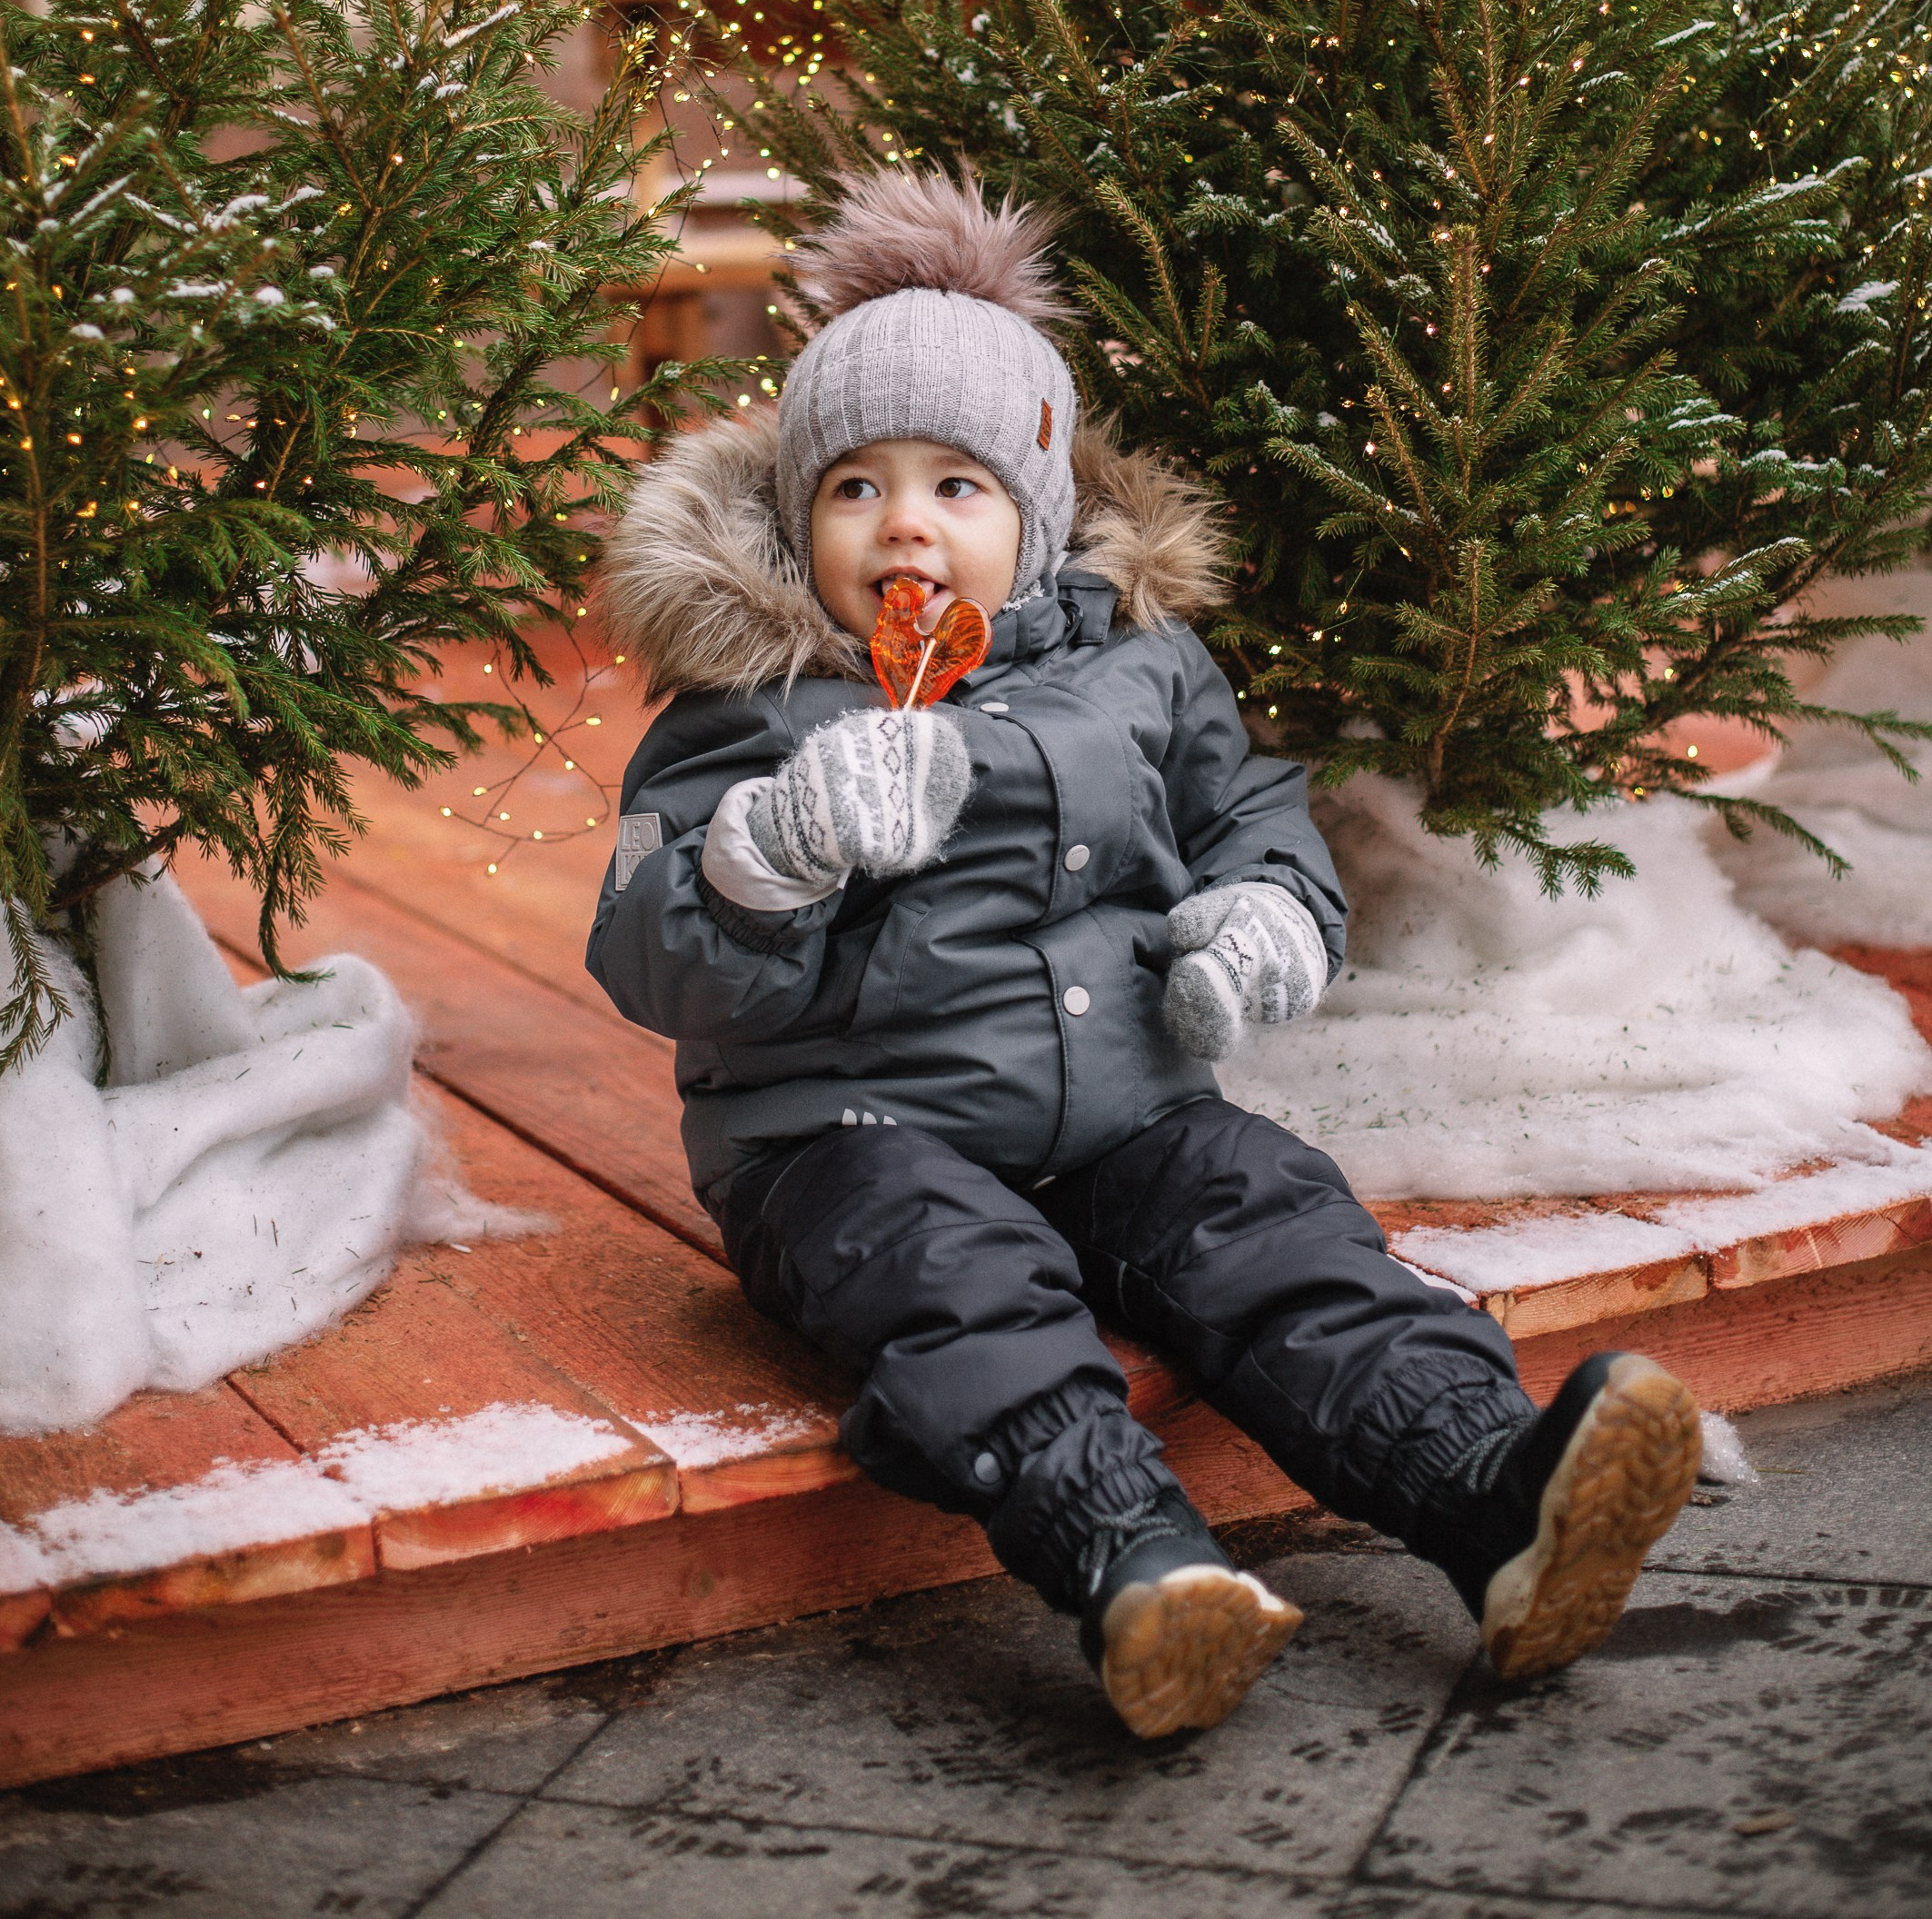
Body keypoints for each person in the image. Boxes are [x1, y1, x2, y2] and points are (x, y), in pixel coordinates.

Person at [587, 169, 1701, 1739]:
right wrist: (771, 850)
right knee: (951, 1274)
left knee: (1267, 1215)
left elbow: (1250, 813)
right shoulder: (739, 710)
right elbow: (643, 953)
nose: (903, 520)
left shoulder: (1137, 668)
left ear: (1034, 516)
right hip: (844, 1139)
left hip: (1123, 1106)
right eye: (854, 486)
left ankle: (1487, 1489)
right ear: (793, 513)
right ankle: (1131, 1560)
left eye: (955, 486)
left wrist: (1267, 918)